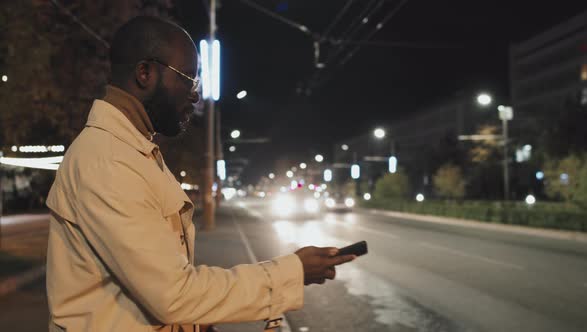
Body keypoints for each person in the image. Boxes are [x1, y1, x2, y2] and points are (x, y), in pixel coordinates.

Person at [45, 16, 355, 332]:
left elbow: (145, 285)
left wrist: (195, 324)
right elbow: (173, 294)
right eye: (188, 79)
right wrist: (291, 272)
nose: (195, 95)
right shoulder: (109, 161)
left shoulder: (134, 151)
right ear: (145, 73)